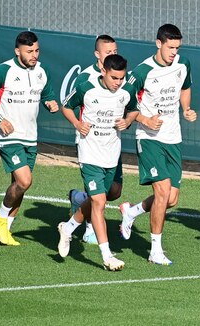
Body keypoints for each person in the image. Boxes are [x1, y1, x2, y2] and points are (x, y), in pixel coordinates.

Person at [117, 25, 197, 265]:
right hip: (149, 138)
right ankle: (155, 251)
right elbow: (124, 102)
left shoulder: (183, 64)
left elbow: (185, 87)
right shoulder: (142, 72)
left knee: (171, 199)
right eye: (170, 47)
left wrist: (186, 109)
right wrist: (145, 120)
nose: (174, 52)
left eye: (177, 48)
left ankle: (131, 211)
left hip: (173, 138)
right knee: (162, 192)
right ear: (158, 43)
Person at [57, 54, 138, 271]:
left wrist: (127, 121)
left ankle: (68, 227)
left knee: (102, 198)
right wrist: (77, 123)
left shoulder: (127, 90)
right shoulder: (86, 88)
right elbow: (66, 106)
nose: (118, 82)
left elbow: (134, 109)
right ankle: (107, 256)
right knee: (99, 202)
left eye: (121, 78)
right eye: (114, 78)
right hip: (89, 153)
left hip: (111, 154)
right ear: (103, 71)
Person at [0, 31, 60, 246]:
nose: (34, 55)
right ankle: (0, 217)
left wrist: (51, 103)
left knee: (20, 185)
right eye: (29, 51)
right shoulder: (3, 71)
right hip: (8, 136)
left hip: (30, 137)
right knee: (25, 180)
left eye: (36, 50)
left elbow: (47, 94)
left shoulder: (42, 71)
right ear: (17, 51)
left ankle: (4, 230)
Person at [67, 34, 120, 245]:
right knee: (98, 196)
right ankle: (90, 227)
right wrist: (78, 125)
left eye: (115, 51)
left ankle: (78, 199)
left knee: (114, 191)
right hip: (90, 143)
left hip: (111, 142)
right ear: (97, 54)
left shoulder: (119, 77)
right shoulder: (85, 79)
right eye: (108, 52)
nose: (113, 55)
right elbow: (71, 106)